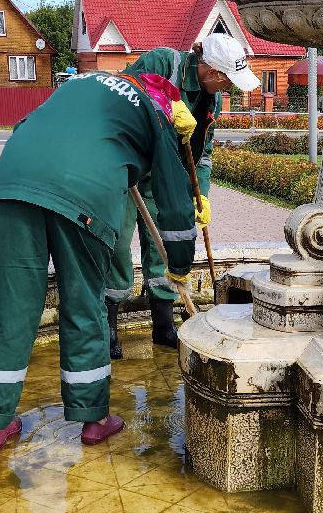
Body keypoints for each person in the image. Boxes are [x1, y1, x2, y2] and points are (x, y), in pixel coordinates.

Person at [0, 69, 198, 451]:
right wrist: (179, 263)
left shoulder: (78, 85)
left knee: (8, 305)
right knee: (83, 304)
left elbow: (29, 127)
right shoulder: (154, 112)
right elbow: (174, 201)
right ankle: (93, 419)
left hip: (13, 184)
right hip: (84, 199)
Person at [106, 33, 260, 355]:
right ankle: (108, 327)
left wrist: (200, 194)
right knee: (117, 245)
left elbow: (203, 154)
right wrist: (163, 106)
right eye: (229, 81)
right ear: (214, 72)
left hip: (168, 180)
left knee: (166, 245)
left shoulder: (211, 99)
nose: (229, 89)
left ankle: (163, 325)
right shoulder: (163, 63)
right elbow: (119, 100)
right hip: (126, 173)